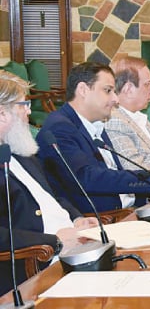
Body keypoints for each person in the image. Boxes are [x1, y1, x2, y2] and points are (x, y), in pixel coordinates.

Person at [36, 62, 150, 214]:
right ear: (83, 90)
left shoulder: (96, 123)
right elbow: (87, 178)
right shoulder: (59, 128)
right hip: (101, 219)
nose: (115, 99)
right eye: (108, 91)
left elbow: (112, 178)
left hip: (128, 210)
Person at [0, 70, 99, 295]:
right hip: (35, 265)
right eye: (23, 105)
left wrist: (77, 218)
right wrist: (54, 240)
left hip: (72, 249)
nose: (29, 112)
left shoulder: (23, 152)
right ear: (2, 113)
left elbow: (53, 196)